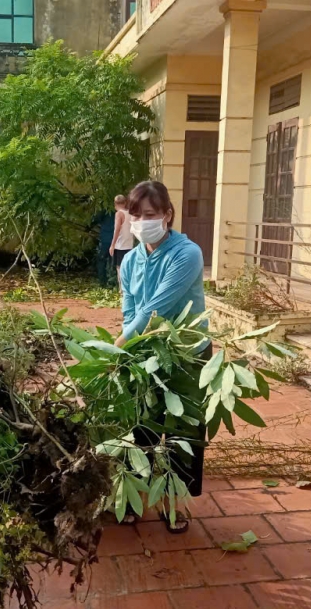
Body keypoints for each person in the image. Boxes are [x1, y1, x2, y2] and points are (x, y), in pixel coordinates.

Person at [116, 181, 209, 534]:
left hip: (185, 353)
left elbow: (155, 312)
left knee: (181, 430)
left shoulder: (187, 254)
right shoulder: (130, 262)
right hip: (143, 352)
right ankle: (133, 496)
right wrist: (126, 347)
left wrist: (117, 346)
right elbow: (129, 310)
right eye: (135, 215)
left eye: (150, 215)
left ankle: (176, 501)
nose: (141, 222)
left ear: (168, 215)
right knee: (139, 424)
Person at [108, 194, 134, 289]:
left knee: (119, 268)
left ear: (115, 204)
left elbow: (117, 230)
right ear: (125, 203)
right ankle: (127, 288)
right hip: (129, 244)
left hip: (120, 245)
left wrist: (112, 244)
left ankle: (122, 289)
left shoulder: (119, 214)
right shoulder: (130, 213)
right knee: (128, 267)